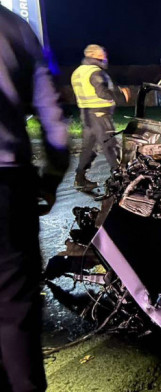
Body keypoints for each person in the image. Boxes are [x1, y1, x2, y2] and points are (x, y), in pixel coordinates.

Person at [0, 7, 69, 391]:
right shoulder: (14, 27)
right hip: (8, 182)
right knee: (15, 311)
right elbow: (52, 117)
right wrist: (53, 175)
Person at [71, 44, 129, 190]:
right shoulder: (95, 71)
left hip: (86, 115)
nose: (105, 57)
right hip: (100, 115)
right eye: (103, 54)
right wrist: (121, 96)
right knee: (110, 146)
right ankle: (121, 180)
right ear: (95, 55)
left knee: (88, 149)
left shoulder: (77, 72)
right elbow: (102, 92)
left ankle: (80, 179)